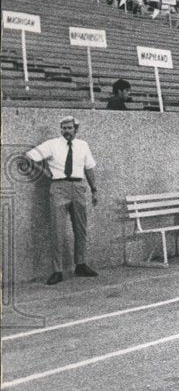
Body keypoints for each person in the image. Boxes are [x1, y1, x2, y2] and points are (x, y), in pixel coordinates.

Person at [25, 115, 99, 285]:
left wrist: (94, 190)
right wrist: (45, 174)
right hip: (58, 188)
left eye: (69, 128)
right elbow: (29, 157)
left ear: (76, 129)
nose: (66, 131)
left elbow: (89, 168)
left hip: (79, 186)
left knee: (80, 228)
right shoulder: (52, 144)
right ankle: (57, 270)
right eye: (63, 128)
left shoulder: (83, 145)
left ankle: (80, 265)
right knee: (57, 229)